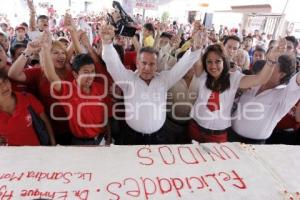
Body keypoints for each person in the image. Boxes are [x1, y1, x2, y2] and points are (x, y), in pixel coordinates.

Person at [100, 24, 203, 145]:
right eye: (143, 63)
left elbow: (182, 66)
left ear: (157, 65)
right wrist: (107, 44)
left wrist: (196, 48)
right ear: (137, 63)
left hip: (159, 137)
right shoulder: (128, 79)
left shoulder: (164, 80)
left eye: (152, 64)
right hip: (131, 137)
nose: (147, 68)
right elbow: (113, 64)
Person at [188, 42, 279, 143]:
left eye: (218, 61)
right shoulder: (202, 75)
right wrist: (197, 45)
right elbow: (196, 59)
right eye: (209, 62)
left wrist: (271, 60)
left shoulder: (234, 78)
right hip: (195, 127)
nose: (213, 66)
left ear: (225, 61)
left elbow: (260, 79)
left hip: (217, 135)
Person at [40, 31, 112, 145]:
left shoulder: (101, 89)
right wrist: (45, 49)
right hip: (79, 143)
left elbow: (106, 115)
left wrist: (109, 137)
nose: (90, 76)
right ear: (75, 74)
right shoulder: (67, 91)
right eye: (85, 72)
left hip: (102, 139)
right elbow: (52, 77)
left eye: (92, 72)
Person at [230, 40, 300, 144]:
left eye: (273, 64)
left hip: (254, 145)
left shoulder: (285, 94)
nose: (267, 66)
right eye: (268, 62)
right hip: (229, 137)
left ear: (282, 74)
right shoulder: (253, 82)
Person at [0, 69, 56, 146]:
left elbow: (45, 121)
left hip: (36, 153)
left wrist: (53, 144)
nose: (4, 87)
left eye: (5, 81)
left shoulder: (27, 98)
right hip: (9, 156)